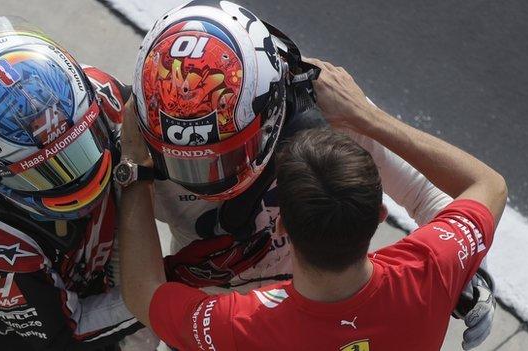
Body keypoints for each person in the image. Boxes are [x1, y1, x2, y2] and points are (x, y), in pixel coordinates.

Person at [127, 0, 495, 348]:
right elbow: (477, 190)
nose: (210, 177)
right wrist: (458, 265)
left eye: (227, 154)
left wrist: (132, 169)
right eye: (186, 161)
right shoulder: (342, 113)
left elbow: (139, 289)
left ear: (270, 109)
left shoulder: (135, 158)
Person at [0, 17, 154, 350]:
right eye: (41, 172)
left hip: (89, 284)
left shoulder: (96, 97)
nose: (75, 180)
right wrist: (166, 289)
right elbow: (67, 335)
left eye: (79, 148)